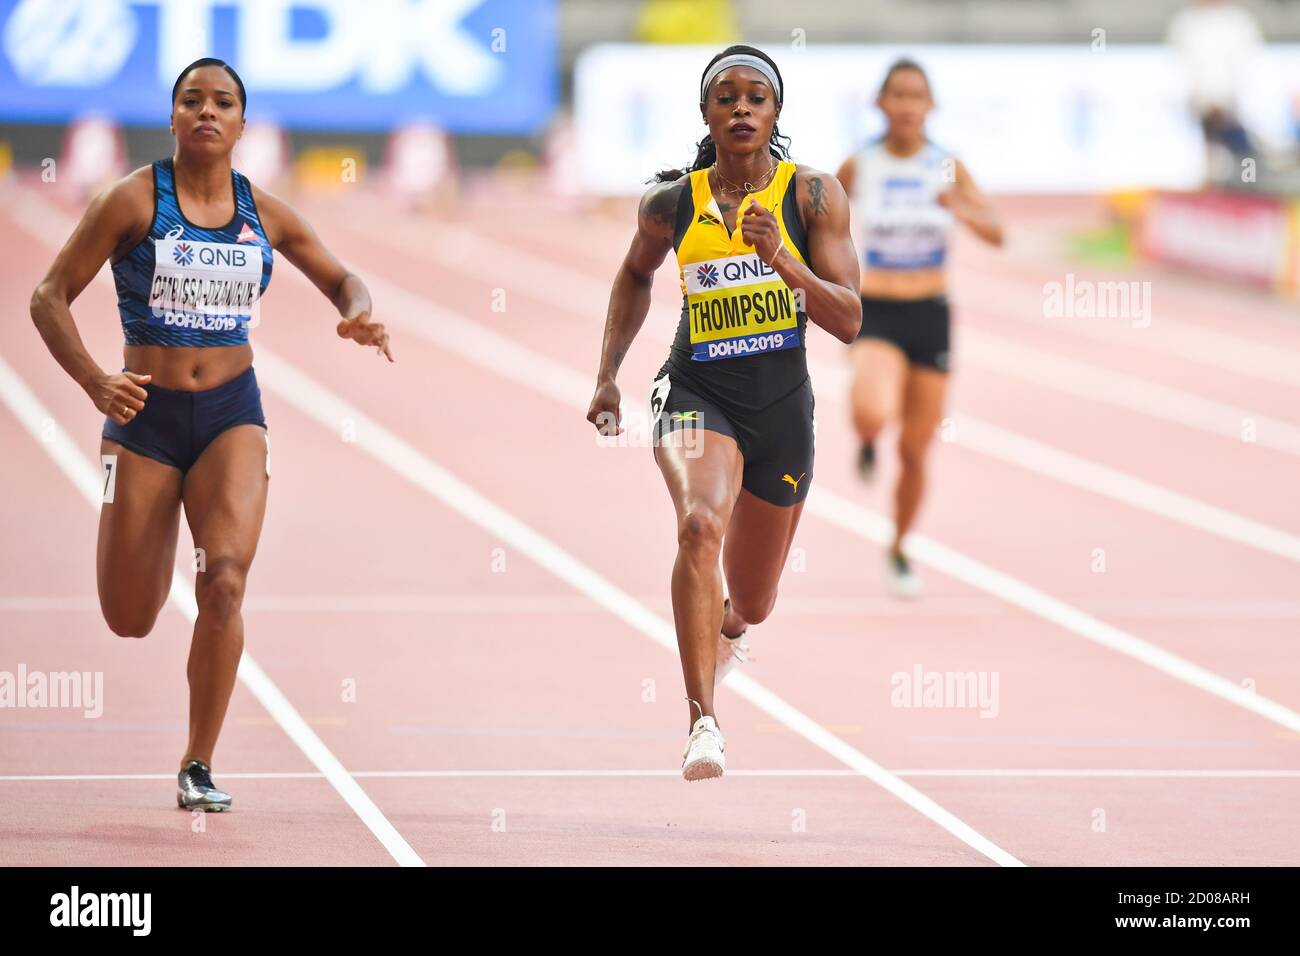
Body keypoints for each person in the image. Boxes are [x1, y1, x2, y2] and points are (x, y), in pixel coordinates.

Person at [29, 58, 393, 811]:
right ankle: (142, 541)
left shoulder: (263, 212)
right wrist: (97, 380)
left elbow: (341, 277)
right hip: (140, 422)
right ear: (172, 118)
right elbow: (47, 297)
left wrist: (357, 310)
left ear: (241, 124)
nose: (206, 111)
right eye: (191, 100)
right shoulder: (131, 200)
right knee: (129, 616)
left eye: (222, 102)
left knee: (224, 578)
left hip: (232, 413)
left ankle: (198, 762)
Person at [586, 45, 861, 780]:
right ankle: (702, 721)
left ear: (775, 115)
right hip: (694, 390)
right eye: (726, 98)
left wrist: (785, 263)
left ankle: (732, 625)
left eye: (756, 98)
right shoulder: (671, 204)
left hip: (781, 408)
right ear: (707, 116)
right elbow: (634, 275)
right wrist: (608, 374)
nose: (741, 108)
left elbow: (849, 319)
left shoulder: (814, 198)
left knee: (758, 600)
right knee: (699, 523)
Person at [835, 58, 1002, 598]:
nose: (907, 105)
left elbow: (997, 231)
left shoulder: (947, 166)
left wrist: (963, 210)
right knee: (871, 411)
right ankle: (865, 438)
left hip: (930, 313)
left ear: (931, 107)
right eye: (898, 95)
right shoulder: (861, 165)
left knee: (914, 450)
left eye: (917, 96)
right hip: (878, 310)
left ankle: (901, 548)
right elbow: (820, 223)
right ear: (880, 104)